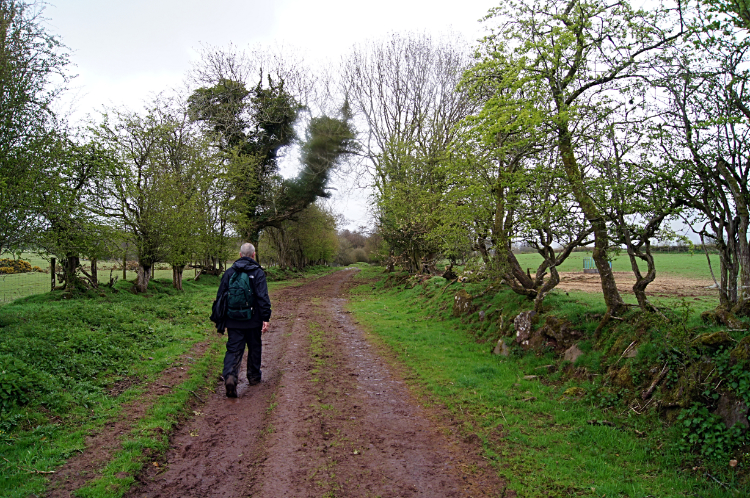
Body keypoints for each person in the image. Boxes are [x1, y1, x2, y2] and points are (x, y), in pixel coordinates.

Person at [215, 242, 271, 398]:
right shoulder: (258, 272)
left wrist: (222, 319)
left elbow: (221, 297)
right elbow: (262, 297)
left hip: (233, 320)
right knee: (254, 347)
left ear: (240, 255)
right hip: (253, 320)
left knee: (233, 348)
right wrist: (265, 317)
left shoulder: (229, 272)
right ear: (253, 255)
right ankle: (253, 377)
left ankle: (230, 376)